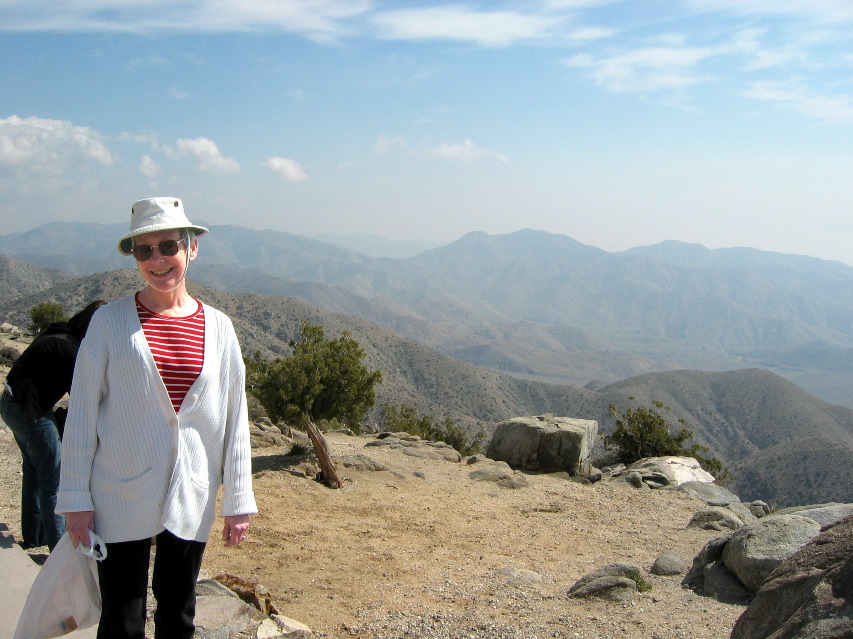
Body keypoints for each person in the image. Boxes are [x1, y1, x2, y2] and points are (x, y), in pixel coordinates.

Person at [57, 197, 257, 639]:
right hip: (118, 492)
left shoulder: (220, 329)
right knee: (122, 618)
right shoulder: (109, 323)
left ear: (192, 248)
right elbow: (83, 413)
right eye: (143, 250)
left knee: (178, 612)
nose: (157, 260)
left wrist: (239, 500)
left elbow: (235, 417)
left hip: (192, 491)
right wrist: (75, 499)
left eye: (168, 246)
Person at [1, 299, 106, 551]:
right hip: (29, 411)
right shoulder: (71, 351)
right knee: (54, 479)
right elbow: (84, 398)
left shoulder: (59, 332)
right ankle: (59, 548)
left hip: (12, 403)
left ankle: (35, 536)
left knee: (35, 472)